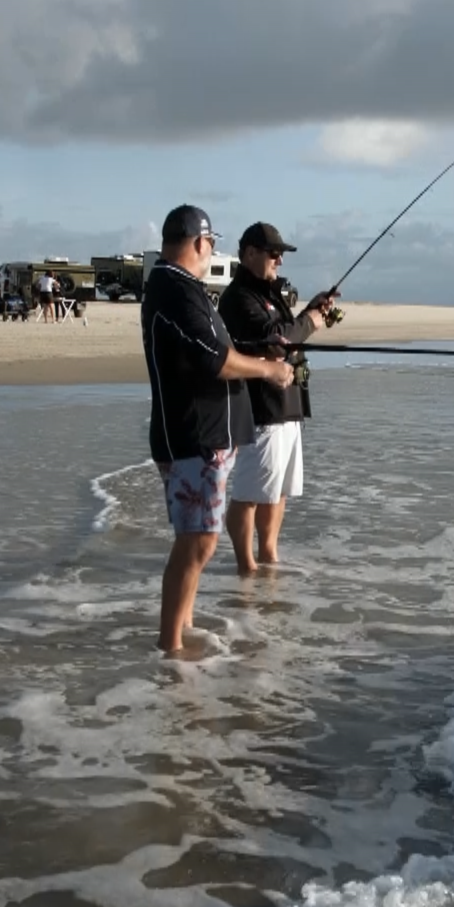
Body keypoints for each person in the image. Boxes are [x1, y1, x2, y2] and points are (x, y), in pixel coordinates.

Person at [142, 204, 296, 655]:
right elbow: (216, 359)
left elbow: (211, 350)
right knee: (199, 541)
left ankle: (183, 628)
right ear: (199, 242)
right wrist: (268, 369)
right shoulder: (175, 289)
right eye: (211, 243)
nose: (211, 251)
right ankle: (170, 648)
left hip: (204, 436)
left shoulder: (181, 287)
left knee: (196, 539)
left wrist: (262, 356)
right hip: (195, 437)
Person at [218, 222, 339, 575]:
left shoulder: (270, 293)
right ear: (249, 253)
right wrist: (310, 321)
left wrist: (312, 310)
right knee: (249, 494)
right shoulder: (238, 298)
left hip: (289, 407)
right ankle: (246, 565)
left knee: (278, 491)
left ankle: (269, 554)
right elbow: (277, 340)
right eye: (274, 254)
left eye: (281, 254)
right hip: (262, 410)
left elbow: (287, 329)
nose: (279, 260)